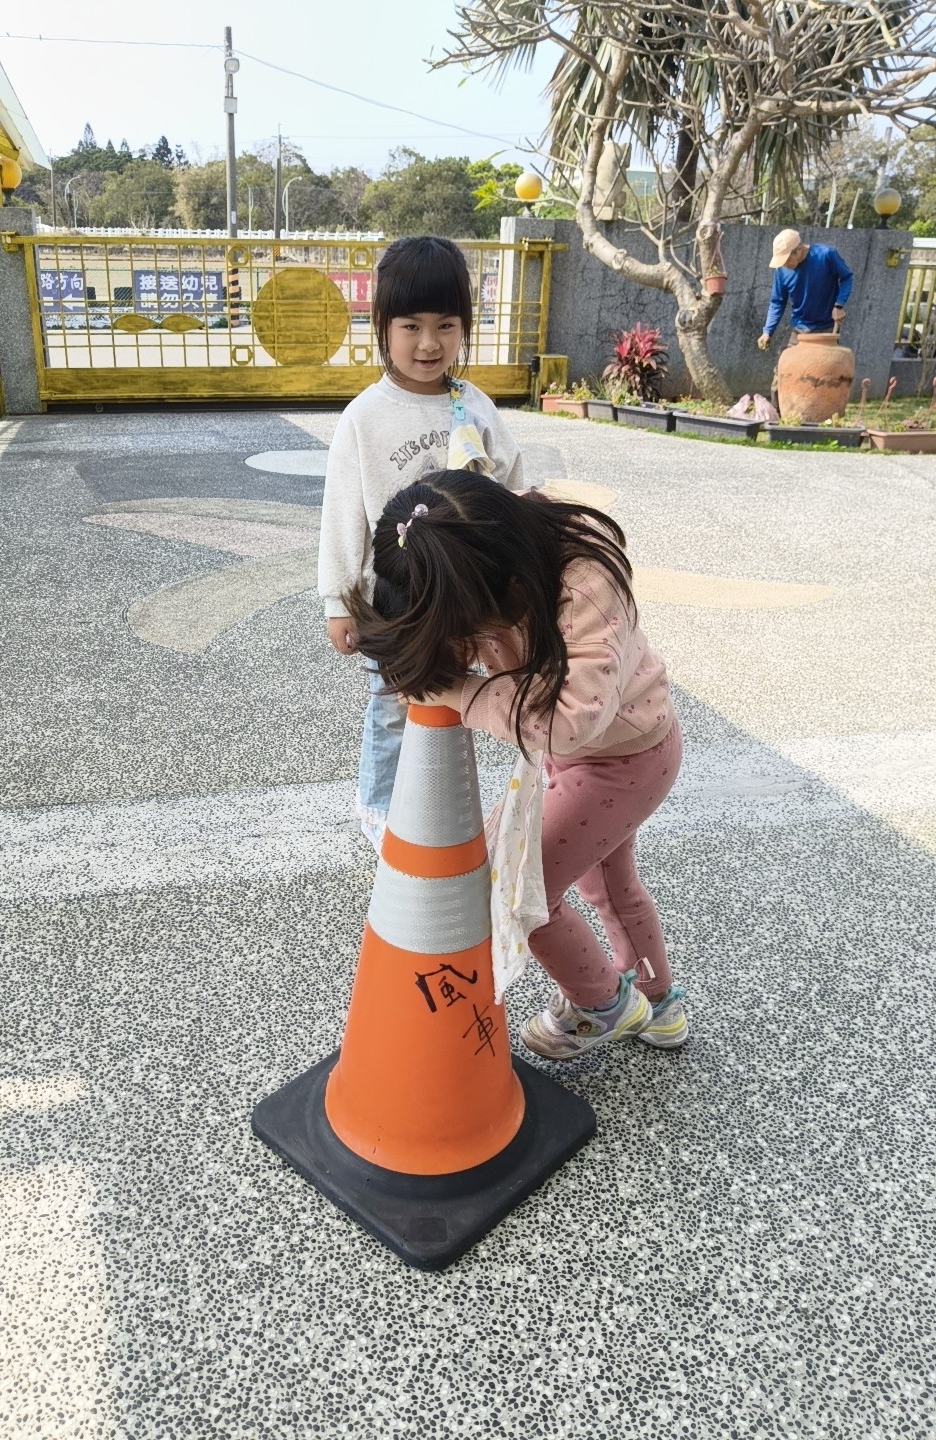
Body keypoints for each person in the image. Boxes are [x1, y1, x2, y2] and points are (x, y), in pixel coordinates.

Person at [347, 470, 688, 1057]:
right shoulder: (484, 540)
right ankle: (658, 1006)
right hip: (599, 753)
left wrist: (459, 692)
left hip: (621, 762)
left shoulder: (583, 584)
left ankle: (601, 1005)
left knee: (514, 887)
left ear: (504, 584)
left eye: (471, 626)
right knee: (608, 885)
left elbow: (572, 717)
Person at [318, 237, 525, 850]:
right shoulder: (365, 416)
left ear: (465, 327)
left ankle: (439, 803)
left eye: (446, 326)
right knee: (392, 704)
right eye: (411, 326)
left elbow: (514, 487)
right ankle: (379, 806)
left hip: (466, 593)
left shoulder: (475, 407)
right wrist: (338, 600)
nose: (429, 343)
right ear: (382, 325)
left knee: (455, 698)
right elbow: (343, 514)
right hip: (397, 595)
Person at [757, 227, 854, 353]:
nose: (784, 265)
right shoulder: (781, 270)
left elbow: (846, 277)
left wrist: (839, 305)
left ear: (798, 250)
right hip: (799, 328)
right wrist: (767, 332)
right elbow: (777, 302)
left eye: (786, 260)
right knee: (785, 362)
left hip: (826, 328)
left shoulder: (826, 255)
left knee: (823, 364)